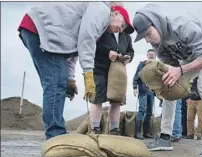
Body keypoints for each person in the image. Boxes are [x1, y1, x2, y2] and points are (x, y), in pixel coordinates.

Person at [17, 2, 133, 140]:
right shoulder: (102, 9)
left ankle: (55, 132)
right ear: (116, 13)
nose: (121, 30)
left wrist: (70, 78)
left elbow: (71, 50)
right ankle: (55, 135)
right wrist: (88, 74)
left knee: (58, 82)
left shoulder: (98, 18)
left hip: (38, 30)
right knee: (56, 84)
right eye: (123, 25)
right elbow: (86, 40)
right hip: (40, 29)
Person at [132, 3, 202, 157]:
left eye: (148, 33)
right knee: (168, 83)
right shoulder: (158, 44)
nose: (148, 40)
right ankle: (165, 137)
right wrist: (168, 79)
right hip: (189, 58)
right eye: (144, 37)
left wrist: (181, 71)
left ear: (156, 23)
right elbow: (172, 68)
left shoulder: (183, 25)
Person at [89, 7, 135, 135]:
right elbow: (93, 45)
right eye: (122, 25)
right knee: (97, 99)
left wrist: (129, 57)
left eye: (124, 27)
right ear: (117, 18)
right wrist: (107, 52)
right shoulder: (102, 30)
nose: (122, 28)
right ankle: (95, 128)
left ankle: (114, 129)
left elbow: (131, 51)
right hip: (100, 69)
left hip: (118, 73)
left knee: (116, 101)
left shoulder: (126, 37)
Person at [133, 49, 156, 139]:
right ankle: (137, 133)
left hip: (152, 91)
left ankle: (146, 132)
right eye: (150, 54)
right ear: (147, 55)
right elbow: (136, 76)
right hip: (143, 90)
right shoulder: (142, 64)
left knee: (149, 112)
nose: (151, 56)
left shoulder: (156, 65)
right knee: (142, 109)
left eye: (152, 55)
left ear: (154, 56)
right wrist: (135, 87)